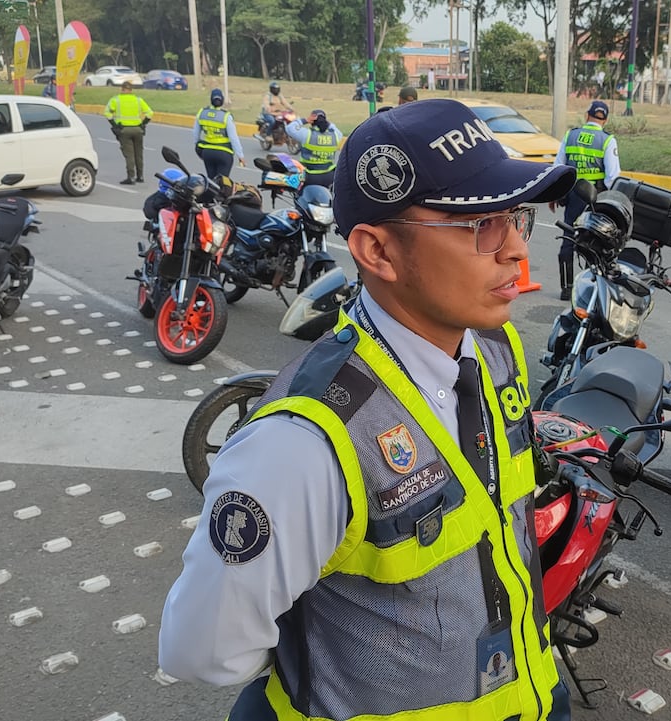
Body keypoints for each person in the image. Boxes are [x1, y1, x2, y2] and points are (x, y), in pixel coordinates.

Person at [159, 97, 578, 721]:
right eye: (481, 225)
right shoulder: (303, 444)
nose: (517, 249)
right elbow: (202, 650)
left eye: (517, 218)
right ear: (378, 252)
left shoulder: (493, 345)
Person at [553, 99, 620, 300]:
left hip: (573, 195)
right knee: (596, 242)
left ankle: (566, 288)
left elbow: (559, 167)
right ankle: (593, 289)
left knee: (569, 238)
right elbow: (612, 177)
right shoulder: (607, 140)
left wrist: (555, 193)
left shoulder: (570, 135)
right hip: (595, 198)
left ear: (587, 116)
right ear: (605, 120)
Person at [104, 81, 154, 184]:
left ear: (122, 89)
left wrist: (115, 125)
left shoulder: (116, 100)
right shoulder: (138, 100)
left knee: (129, 155)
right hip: (138, 129)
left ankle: (131, 177)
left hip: (124, 130)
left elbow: (107, 113)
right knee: (139, 154)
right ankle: (140, 176)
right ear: (131, 90)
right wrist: (143, 124)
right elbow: (150, 113)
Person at [192, 89, 245, 180]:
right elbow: (233, 138)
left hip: (207, 153)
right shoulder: (225, 116)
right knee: (222, 182)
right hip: (224, 153)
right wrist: (240, 156)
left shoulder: (202, 113)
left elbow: (195, 134)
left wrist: (198, 148)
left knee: (211, 181)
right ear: (222, 100)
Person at [285, 109, 342, 187]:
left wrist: (305, 120)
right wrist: (326, 122)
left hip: (309, 176)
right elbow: (335, 129)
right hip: (329, 175)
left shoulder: (307, 134)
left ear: (312, 121)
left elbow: (289, 128)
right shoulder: (335, 135)